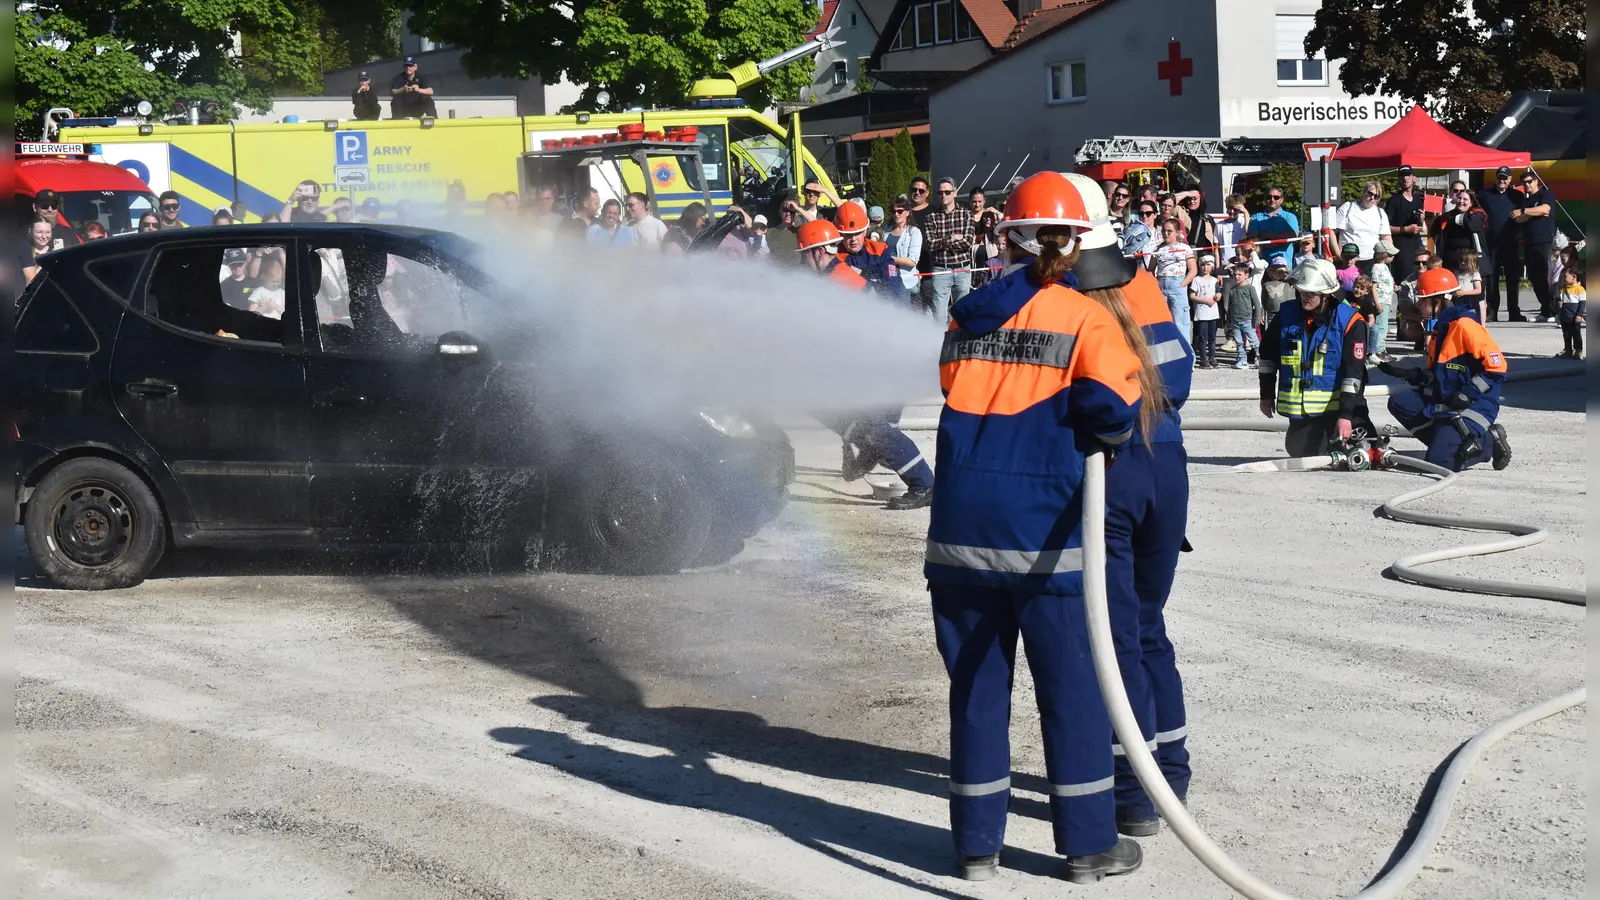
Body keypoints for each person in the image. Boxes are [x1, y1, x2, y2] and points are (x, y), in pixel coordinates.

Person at [926, 171, 1145, 884]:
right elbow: (1113, 409)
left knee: (976, 692)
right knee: (1071, 689)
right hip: (1045, 533)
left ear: (1005, 234)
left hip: (960, 531)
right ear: (1080, 241)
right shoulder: (1086, 317)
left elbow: (952, 388)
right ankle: (1086, 849)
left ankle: (976, 851)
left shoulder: (966, 313)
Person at [1058, 171, 1193, 844]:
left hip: (1108, 473)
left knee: (1112, 637)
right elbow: (1179, 378)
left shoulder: (1058, 295)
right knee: (1147, 626)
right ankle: (1171, 768)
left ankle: (1135, 791)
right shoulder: (1141, 282)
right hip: (1166, 469)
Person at [796, 218, 934, 510]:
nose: (801, 261)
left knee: (875, 429)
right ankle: (872, 450)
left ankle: (923, 484)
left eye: (803, 254)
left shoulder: (839, 282)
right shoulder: (832, 279)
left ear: (817, 252)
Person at [1379, 269, 1512, 471]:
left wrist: (1467, 394)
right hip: (1449, 400)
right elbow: (1440, 375)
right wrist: (1410, 374)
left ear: (1438, 301)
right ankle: (1448, 441)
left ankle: (1488, 443)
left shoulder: (1465, 326)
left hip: (1476, 405)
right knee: (1400, 402)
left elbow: (1497, 368)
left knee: (1440, 462)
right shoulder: (1440, 329)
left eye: (1422, 300)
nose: (1418, 304)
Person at [1258, 259, 1375, 457]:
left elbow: (1354, 374)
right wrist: (1266, 394)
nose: (1305, 297)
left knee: (1348, 451)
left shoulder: (1350, 321)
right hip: (1302, 411)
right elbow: (1267, 356)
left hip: (1339, 409)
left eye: (1311, 293)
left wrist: (1346, 415)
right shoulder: (1286, 315)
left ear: (1327, 294)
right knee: (1299, 450)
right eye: (1302, 291)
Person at [923, 176, 976, 324]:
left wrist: (942, 242)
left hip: (962, 269)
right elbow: (931, 245)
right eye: (940, 193)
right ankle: (939, 345)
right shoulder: (931, 217)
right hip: (941, 270)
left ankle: (959, 345)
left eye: (947, 192)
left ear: (955, 193)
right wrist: (952, 238)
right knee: (939, 317)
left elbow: (968, 242)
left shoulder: (967, 214)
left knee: (962, 314)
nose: (943, 195)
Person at [1478, 165, 1525, 322]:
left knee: (1513, 278)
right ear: (1496, 178)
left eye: (1505, 178)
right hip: (1491, 244)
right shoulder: (1485, 195)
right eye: (1499, 177)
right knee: (1492, 278)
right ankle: (1492, 311)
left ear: (1510, 179)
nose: (1502, 180)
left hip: (1511, 242)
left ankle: (1514, 311)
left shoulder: (1517, 196)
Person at [1512, 170, 1558, 321]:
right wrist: (1532, 212)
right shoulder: (1527, 200)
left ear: (1536, 181)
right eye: (1524, 183)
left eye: (1529, 181)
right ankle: (1545, 310)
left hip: (1544, 241)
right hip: (1529, 242)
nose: (1527, 185)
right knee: (1534, 277)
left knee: (1547, 276)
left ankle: (1554, 310)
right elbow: (1518, 219)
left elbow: (1545, 209)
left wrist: (1525, 212)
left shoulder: (1545, 194)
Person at [1148, 218, 1195, 347]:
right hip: (1161, 285)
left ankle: (1187, 359)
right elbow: (1150, 269)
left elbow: (1193, 270)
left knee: (1181, 323)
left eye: (1169, 231)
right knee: (1163, 322)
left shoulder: (1184, 248)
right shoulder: (1158, 248)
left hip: (1177, 284)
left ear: (1177, 232)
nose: (1166, 233)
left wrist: (1182, 284)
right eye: (1164, 231)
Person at [1333, 181, 1391, 274]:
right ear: (1364, 192)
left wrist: (1386, 256)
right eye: (1370, 193)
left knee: (1368, 287)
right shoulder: (1348, 207)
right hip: (1349, 258)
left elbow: (1386, 237)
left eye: (1376, 196)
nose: (1372, 198)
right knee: (1348, 287)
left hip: (1371, 259)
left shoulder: (1380, 213)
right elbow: (1332, 231)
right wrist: (1337, 252)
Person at [1431, 186, 1486, 278]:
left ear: (1471, 202)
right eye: (1459, 198)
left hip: (1471, 260)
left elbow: (1472, 225)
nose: (1461, 201)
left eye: (1465, 199)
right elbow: (1435, 230)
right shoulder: (1446, 216)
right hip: (1450, 259)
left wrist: (1454, 219)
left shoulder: (1478, 214)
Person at [1385, 166, 1427, 283]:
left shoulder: (1418, 200)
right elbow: (1384, 228)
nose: (1405, 178)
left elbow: (1422, 228)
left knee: (1421, 279)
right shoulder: (1393, 200)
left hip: (1417, 245)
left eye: (1408, 175)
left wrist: (1422, 220)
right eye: (1402, 175)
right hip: (1401, 247)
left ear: (1414, 178)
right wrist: (1405, 229)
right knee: (1404, 281)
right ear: (1399, 179)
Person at [1246, 186, 1298, 269]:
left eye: (1276, 197)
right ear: (1265, 199)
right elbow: (1252, 239)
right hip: (1261, 266)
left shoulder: (1290, 217)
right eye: (1269, 197)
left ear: (1282, 200)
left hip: (1283, 266)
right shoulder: (1256, 217)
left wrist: (1264, 238)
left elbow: (1292, 236)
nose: (1272, 199)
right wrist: (1279, 238)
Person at [1223, 263, 1263, 369]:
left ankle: (1259, 359)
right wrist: (1229, 320)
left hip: (1248, 320)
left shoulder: (1250, 288)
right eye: (1235, 274)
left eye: (1239, 274)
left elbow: (1257, 305)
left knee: (1254, 341)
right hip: (1235, 321)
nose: (1236, 277)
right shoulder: (1232, 290)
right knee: (1239, 342)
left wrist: (1257, 318)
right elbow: (1230, 306)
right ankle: (1242, 360)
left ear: (1246, 275)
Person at [886, 196, 924, 305]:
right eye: (893, 211)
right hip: (887, 277)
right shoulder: (887, 229)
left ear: (907, 213)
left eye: (900, 211)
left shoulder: (914, 232)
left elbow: (912, 261)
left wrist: (889, 259)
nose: (896, 214)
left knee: (902, 313)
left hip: (904, 280)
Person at [1188, 255, 1220, 368]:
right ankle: (1203, 358)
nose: (1205, 267)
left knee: (1212, 337)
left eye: (1207, 265)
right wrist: (1205, 301)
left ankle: (1212, 357)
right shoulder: (1196, 280)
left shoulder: (1215, 280)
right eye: (1202, 265)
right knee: (1202, 337)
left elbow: (1218, 292)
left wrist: (1218, 296)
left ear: (1211, 266)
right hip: (1201, 313)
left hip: (1213, 313)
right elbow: (1192, 296)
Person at [1369, 240, 1398, 362]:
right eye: (1390, 255)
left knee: (1384, 326)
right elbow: (1373, 286)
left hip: (1385, 301)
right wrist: (1377, 303)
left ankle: (1381, 348)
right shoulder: (1377, 268)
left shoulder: (1384, 267)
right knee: (1381, 327)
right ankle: (1379, 350)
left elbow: (1384, 283)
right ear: (1384, 255)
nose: (1393, 257)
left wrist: (1394, 287)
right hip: (1380, 301)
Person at [967, 187, 1002, 289]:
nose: (977, 205)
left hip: (991, 256)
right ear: (969, 202)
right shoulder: (966, 217)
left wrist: (996, 212)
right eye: (974, 202)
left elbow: (1004, 225)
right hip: (973, 259)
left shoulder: (990, 215)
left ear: (984, 201)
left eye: (979, 201)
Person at [1556, 267, 1585, 359]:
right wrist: (1559, 303)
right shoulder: (1563, 289)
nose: (1563, 279)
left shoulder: (1580, 289)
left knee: (1576, 334)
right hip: (1565, 316)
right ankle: (1568, 350)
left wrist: (1579, 315)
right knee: (1566, 334)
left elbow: (1582, 304)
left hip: (1574, 317)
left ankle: (1578, 350)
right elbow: (1560, 300)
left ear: (1573, 277)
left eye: (1565, 277)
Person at [1452, 249, 1484, 321]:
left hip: (1470, 301)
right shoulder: (1457, 273)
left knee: (1470, 318)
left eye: (1465, 261)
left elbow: (1478, 290)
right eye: (1461, 260)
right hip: (1459, 300)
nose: (1463, 263)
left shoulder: (1474, 274)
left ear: (1473, 263)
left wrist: (1464, 293)